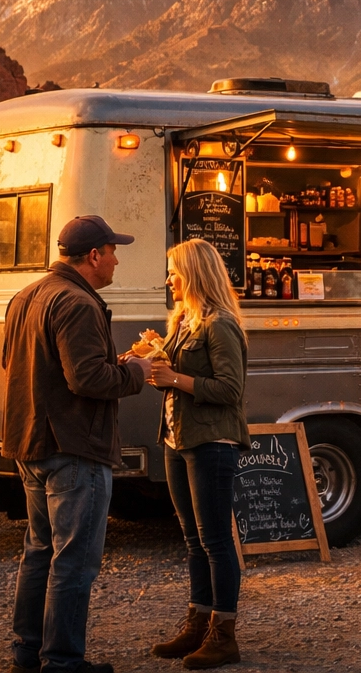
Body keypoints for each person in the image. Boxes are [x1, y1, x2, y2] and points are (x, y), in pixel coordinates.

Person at [1, 215, 150, 673]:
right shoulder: (78, 303)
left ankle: (28, 652)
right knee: (74, 560)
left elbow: (25, 364)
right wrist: (135, 372)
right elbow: (86, 380)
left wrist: (113, 363)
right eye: (113, 251)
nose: (117, 260)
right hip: (74, 448)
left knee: (39, 551)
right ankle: (63, 661)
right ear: (94, 256)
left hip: (30, 443)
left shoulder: (26, 296)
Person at [144, 238, 251, 669]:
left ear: (194, 274)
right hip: (178, 438)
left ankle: (224, 635)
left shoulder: (219, 324)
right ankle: (198, 623)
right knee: (193, 539)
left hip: (211, 441)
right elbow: (176, 376)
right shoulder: (182, 321)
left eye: (174, 271)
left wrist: (173, 378)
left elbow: (230, 390)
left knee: (215, 540)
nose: (168, 279)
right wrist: (157, 363)